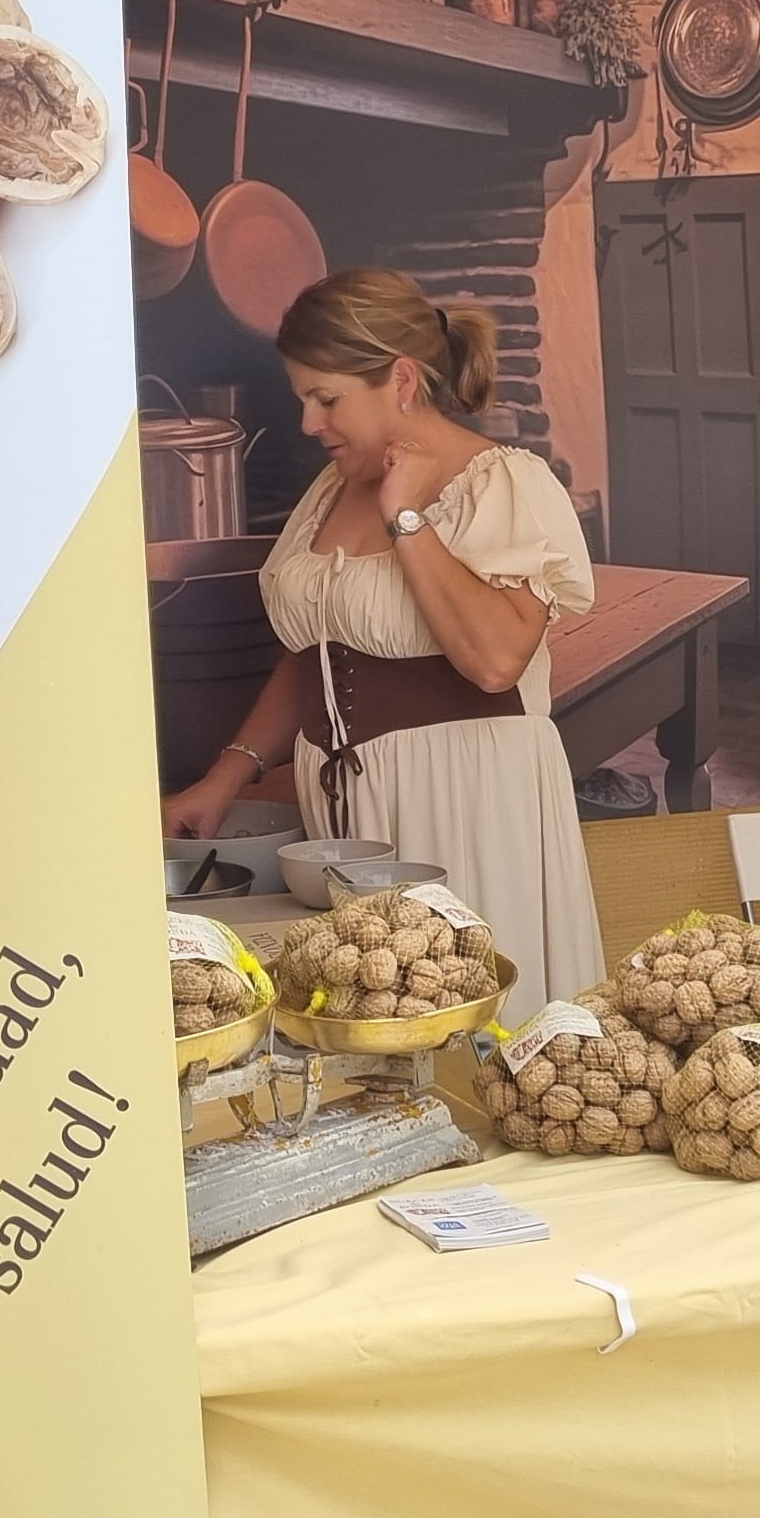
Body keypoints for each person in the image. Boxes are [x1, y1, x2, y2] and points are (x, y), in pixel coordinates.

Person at [160, 268, 601, 1018]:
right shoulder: (330, 489)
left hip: (463, 798)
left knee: (476, 1022)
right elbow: (316, 653)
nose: (307, 422)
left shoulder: (505, 485)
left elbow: (496, 662)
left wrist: (408, 522)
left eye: (325, 399)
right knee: (370, 1030)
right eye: (303, 397)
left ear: (400, 378)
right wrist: (224, 780)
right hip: (344, 816)